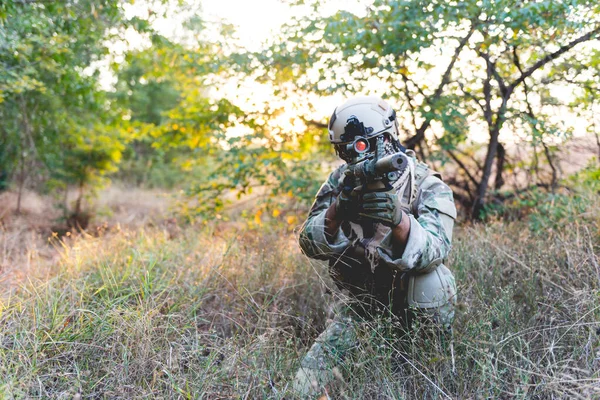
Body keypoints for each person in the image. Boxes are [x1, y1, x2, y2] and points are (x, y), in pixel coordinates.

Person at [293, 96, 457, 396]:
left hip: (414, 308)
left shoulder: (426, 184)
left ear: (386, 138)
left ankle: (432, 355)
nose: (354, 155)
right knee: (305, 386)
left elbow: (435, 251)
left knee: (432, 281)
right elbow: (308, 242)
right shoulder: (341, 181)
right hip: (359, 307)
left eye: (363, 144)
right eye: (345, 149)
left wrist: (399, 220)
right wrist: (340, 208)